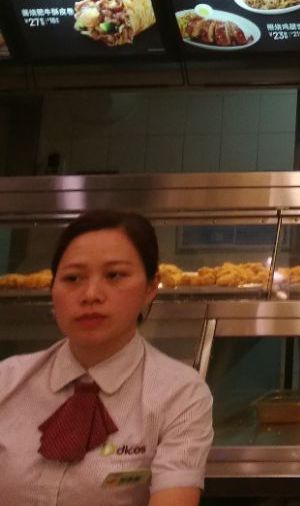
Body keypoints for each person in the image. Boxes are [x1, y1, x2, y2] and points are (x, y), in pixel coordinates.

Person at [0, 209, 214, 505]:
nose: (91, 294)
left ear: (151, 287)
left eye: (115, 275)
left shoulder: (180, 395)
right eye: (72, 278)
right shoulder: (7, 381)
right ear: (52, 289)